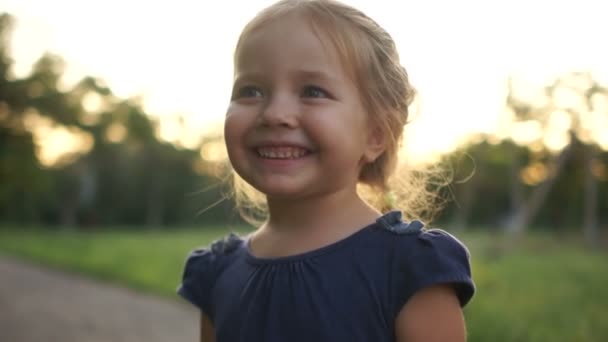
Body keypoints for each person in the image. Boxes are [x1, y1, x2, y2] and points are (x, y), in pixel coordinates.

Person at [178, 0, 475, 341]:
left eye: (313, 92)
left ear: (376, 134)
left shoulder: (409, 269)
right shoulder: (217, 273)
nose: (275, 113)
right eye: (251, 90)